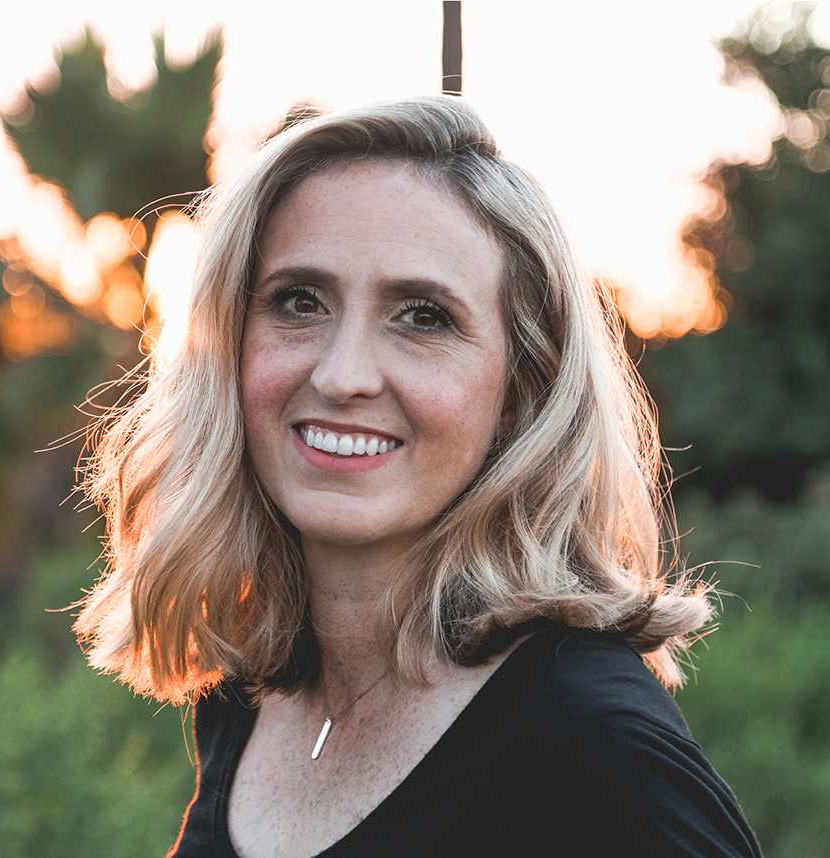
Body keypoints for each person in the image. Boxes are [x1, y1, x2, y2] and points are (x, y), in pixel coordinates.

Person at [69, 95, 763, 856]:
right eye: (298, 302)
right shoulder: (250, 694)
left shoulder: (594, 743)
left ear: (522, 388)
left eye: (423, 316)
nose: (342, 375)